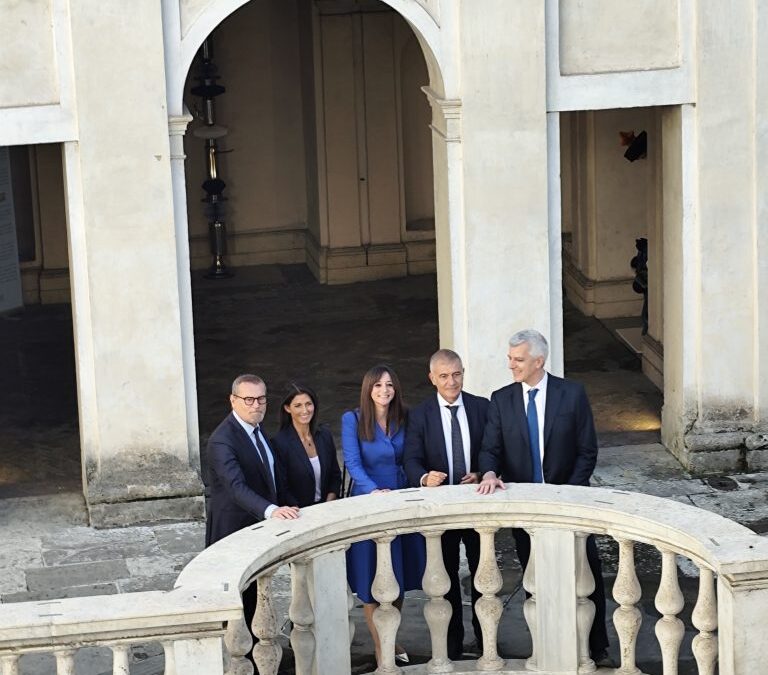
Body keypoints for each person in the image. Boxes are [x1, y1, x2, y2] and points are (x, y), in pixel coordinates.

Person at [476, 330, 611, 668]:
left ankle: (597, 647)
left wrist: (568, 492)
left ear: (539, 361)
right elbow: (490, 449)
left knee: (585, 576)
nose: (511, 365)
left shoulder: (572, 394)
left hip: (570, 502)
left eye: (518, 360)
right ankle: (549, 644)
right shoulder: (501, 399)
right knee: (536, 579)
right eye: (510, 358)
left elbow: (587, 450)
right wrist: (489, 472)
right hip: (526, 509)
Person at [403, 349, 488, 660]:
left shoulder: (482, 407)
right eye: (444, 376)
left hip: (477, 507)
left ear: (463, 372)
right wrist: (425, 478)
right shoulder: (419, 414)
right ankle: (451, 646)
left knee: (484, 578)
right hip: (442, 511)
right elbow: (410, 459)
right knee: (446, 580)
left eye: (456, 374)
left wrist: (482, 472)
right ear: (432, 379)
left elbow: (493, 450)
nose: (451, 382)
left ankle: (485, 640)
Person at [342, 364, 426, 667]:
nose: (384, 391)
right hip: (369, 503)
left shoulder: (405, 416)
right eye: (377, 386)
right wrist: (372, 490)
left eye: (389, 385)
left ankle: (391, 637)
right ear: (368, 389)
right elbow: (353, 462)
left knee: (398, 576)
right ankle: (381, 648)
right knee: (370, 580)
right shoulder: (352, 419)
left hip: (401, 500)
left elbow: (413, 455)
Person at [205, 373, 300, 638]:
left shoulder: (258, 432)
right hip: (233, 532)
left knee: (257, 600)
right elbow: (236, 488)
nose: (256, 405)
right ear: (233, 401)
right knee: (238, 608)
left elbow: (273, 478)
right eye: (248, 399)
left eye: (261, 399)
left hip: (258, 532)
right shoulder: (222, 440)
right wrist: (272, 510)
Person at [271, 382, 342, 508]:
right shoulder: (279, 443)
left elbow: (335, 475)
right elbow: (282, 488)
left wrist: (328, 503)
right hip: (299, 513)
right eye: (298, 405)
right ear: (288, 408)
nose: (305, 410)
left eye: (308, 404)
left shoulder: (324, 435)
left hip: (328, 508)